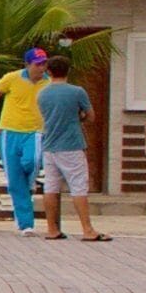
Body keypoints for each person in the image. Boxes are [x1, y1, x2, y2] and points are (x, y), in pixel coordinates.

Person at [0, 48, 53, 232]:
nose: (41, 67)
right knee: (14, 179)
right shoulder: (12, 78)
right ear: (27, 65)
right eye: (38, 64)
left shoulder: (49, 83)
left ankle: (30, 183)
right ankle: (25, 223)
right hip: (10, 132)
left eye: (44, 63)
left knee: (33, 160)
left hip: (36, 132)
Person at [35, 58, 107, 241]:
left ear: (49, 72)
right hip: (72, 144)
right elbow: (90, 116)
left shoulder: (42, 94)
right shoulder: (77, 92)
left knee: (50, 187)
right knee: (78, 187)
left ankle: (52, 228)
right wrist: (78, 119)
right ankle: (87, 229)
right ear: (68, 71)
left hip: (49, 145)